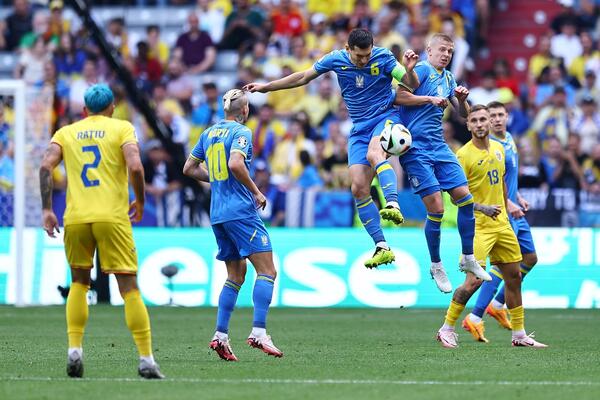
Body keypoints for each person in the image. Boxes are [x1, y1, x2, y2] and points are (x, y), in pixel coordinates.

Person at [245, 28, 419, 269]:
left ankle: (392, 203)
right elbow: (303, 77)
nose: (364, 60)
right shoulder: (335, 59)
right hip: (359, 127)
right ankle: (382, 246)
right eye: (359, 56)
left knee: (374, 153)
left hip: (385, 117)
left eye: (367, 55)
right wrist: (267, 87)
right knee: (358, 188)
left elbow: (412, 83)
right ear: (348, 49)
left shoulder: (384, 57)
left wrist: (408, 69)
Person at [38, 84, 164, 378]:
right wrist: (141, 200)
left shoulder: (66, 133)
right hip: (112, 217)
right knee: (129, 287)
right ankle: (146, 359)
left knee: (79, 283)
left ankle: (74, 350)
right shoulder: (121, 128)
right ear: (111, 108)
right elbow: (135, 166)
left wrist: (47, 209)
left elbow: (45, 167)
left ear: (84, 110)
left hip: (76, 218)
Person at [183, 89, 283, 361]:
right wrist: (255, 191)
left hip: (218, 214)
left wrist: (216, 180)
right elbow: (236, 163)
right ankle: (259, 332)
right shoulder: (242, 132)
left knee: (235, 275)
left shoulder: (208, 133)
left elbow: (188, 169)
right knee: (267, 271)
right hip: (240, 211)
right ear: (245, 110)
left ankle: (221, 336)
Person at [436, 104, 547, 348]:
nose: (479, 124)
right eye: (474, 120)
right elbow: (455, 196)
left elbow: (503, 186)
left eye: (482, 119)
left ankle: (519, 335)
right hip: (478, 228)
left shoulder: (499, 149)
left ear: (488, 123)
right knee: (474, 281)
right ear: (468, 125)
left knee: (514, 276)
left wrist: (508, 207)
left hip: (502, 224)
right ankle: (446, 328)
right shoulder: (463, 156)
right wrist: (482, 208)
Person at [395, 33, 491, 293]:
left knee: (465, 198)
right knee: (436, 208)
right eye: (442, 50)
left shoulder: (449, 78)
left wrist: (460, 100)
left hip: (439, 146)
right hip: (415, 149)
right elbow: (398, 98)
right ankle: (436, 265)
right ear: (429, 50)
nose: (446, 54)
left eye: (450, 51)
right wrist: (428, 99)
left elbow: (464, 115)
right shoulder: (422, 71)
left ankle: (468, 258)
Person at [463, 101, 539, 340]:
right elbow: (488, 186)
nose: (495, 120)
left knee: (530, 258)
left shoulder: (507, 142)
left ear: (507, 116)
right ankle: (476, 316)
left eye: (499, 115)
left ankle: (496, 305)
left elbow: (505, 180)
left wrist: (517, 197)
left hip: (513, 208)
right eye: (491, 116)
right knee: (504, 266)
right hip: (500, 212)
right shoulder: (480, 148)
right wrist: (508, 204)